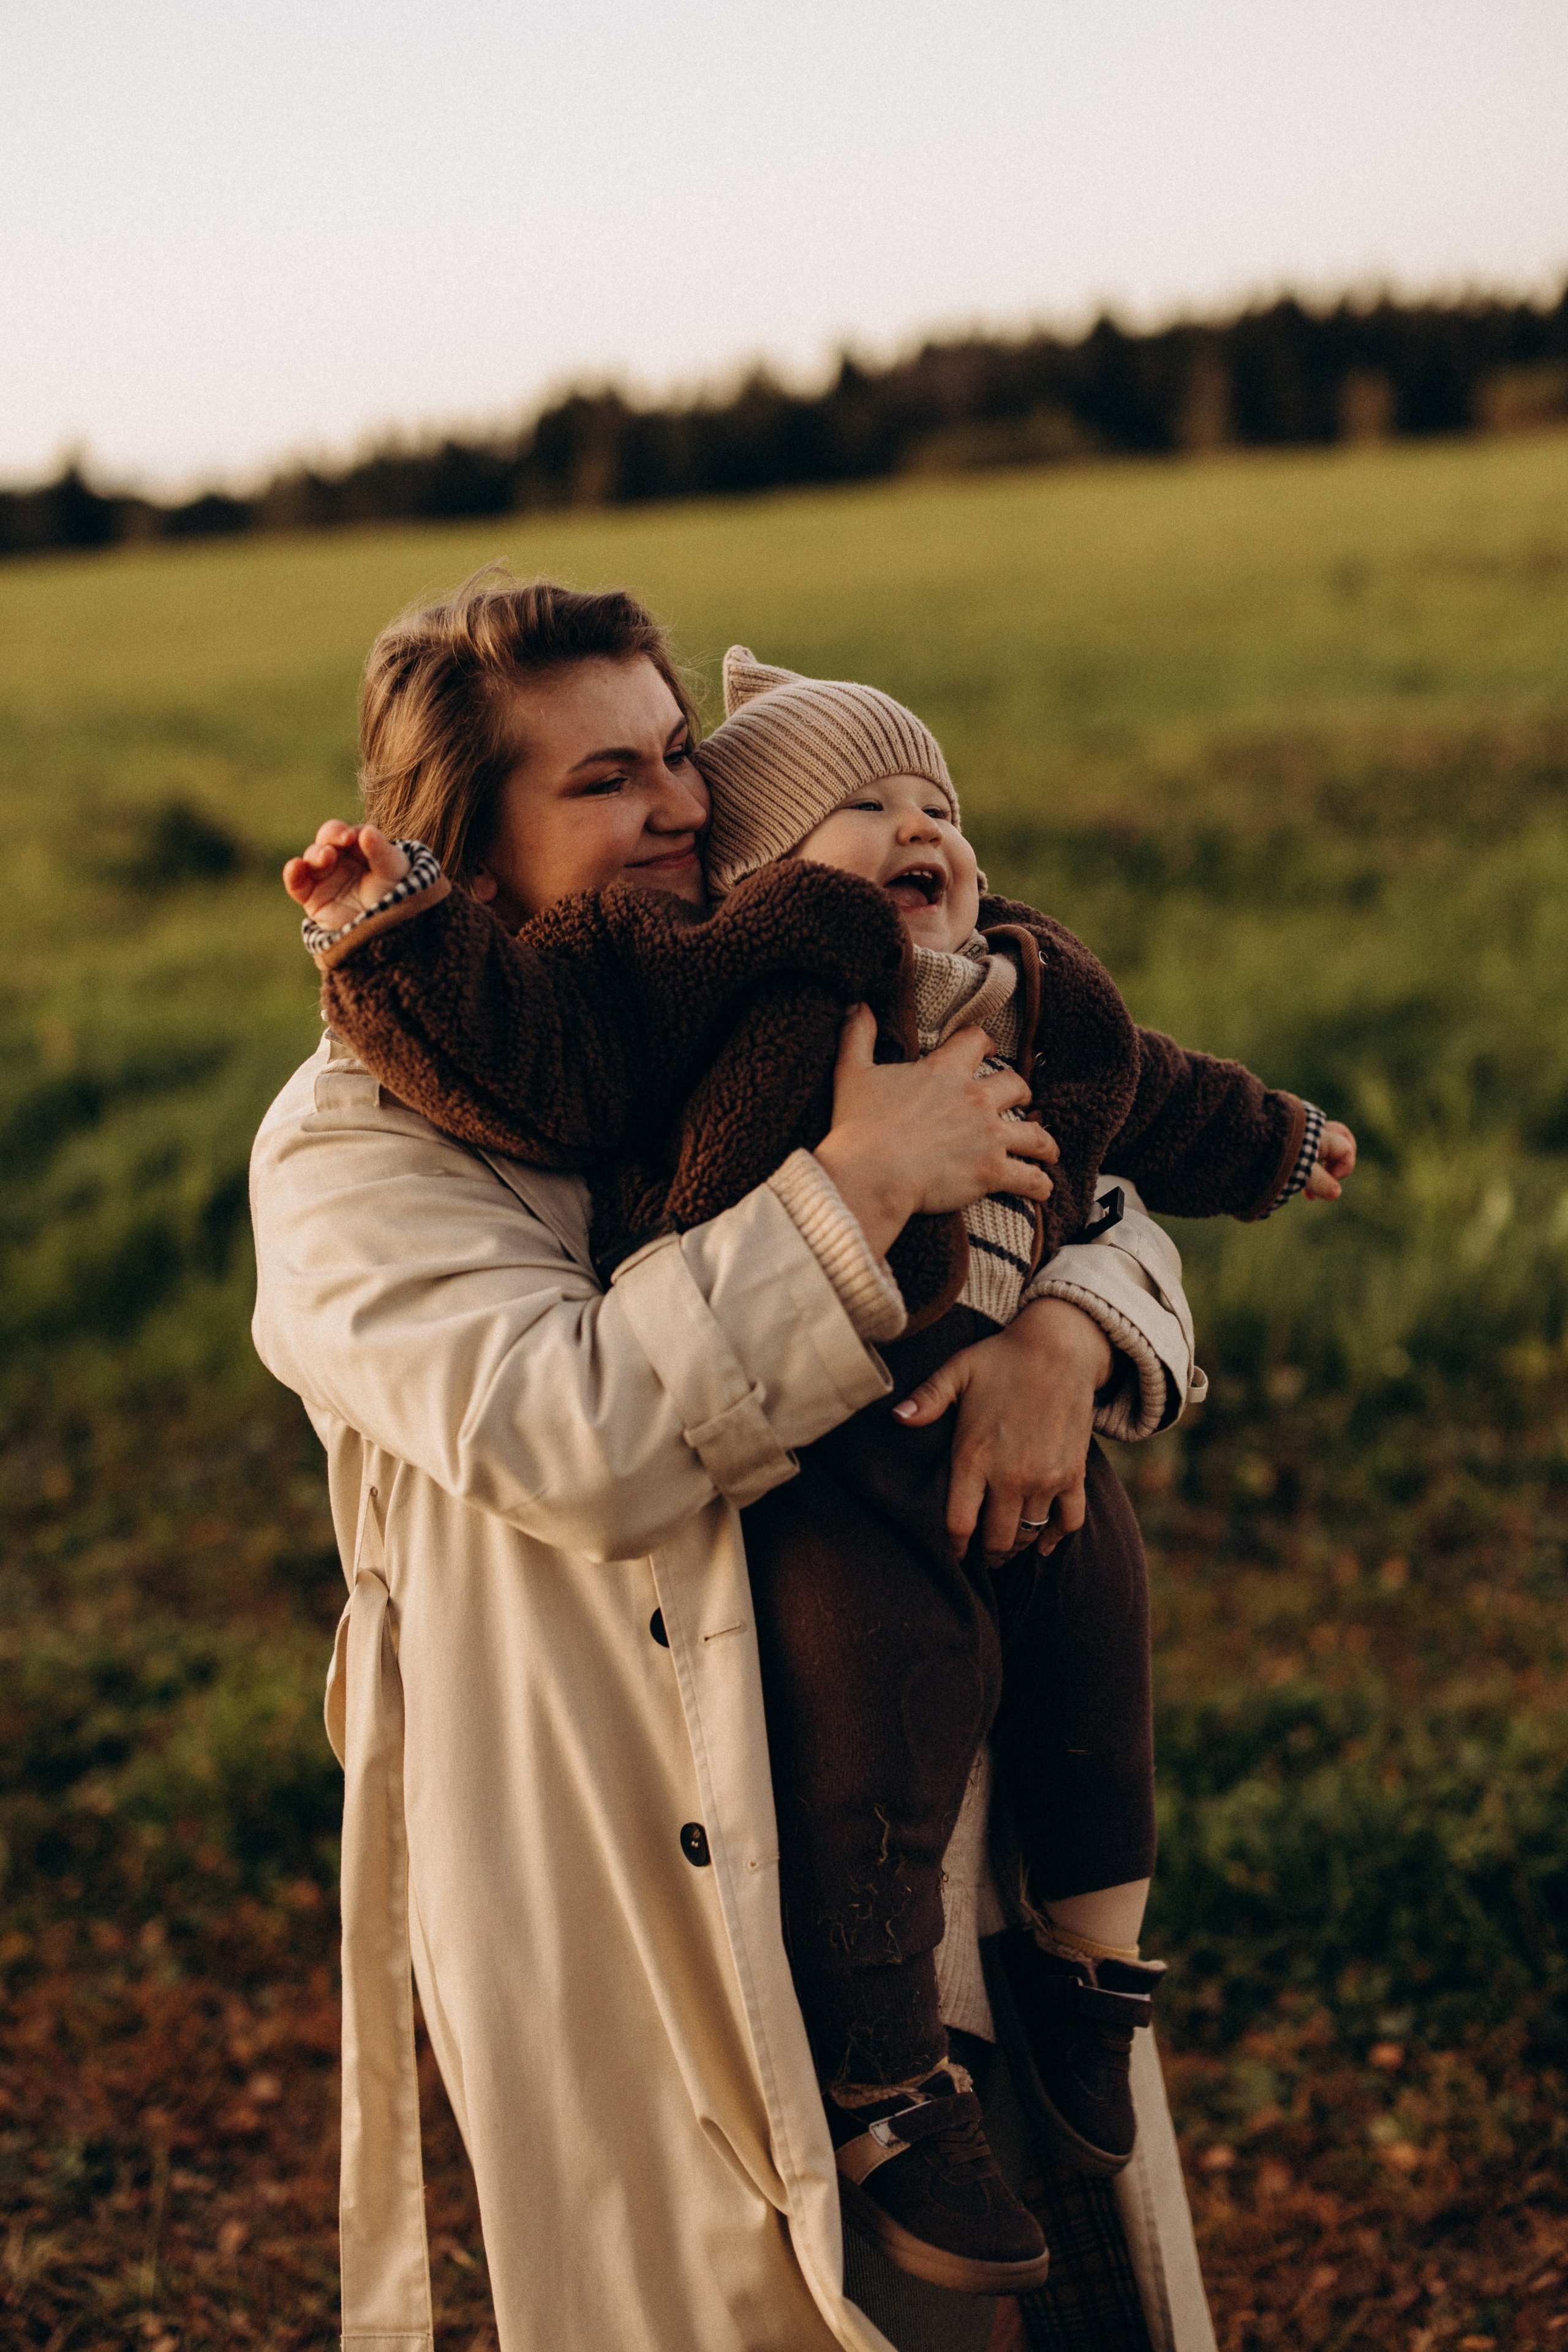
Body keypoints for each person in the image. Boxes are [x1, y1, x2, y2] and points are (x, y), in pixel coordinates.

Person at [285, 633, 1355, 2294]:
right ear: (472, 853)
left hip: (938, 1739)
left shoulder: (793, 981)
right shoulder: (354, 1145)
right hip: (627, 1811)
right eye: (606, 778)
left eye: (675, 751)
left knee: (1043, 2269)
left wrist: (1061, 1335)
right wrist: (853, 1191)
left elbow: (1092, 1162)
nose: (681, 801)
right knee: (752, 2280)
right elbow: (562, 1433)